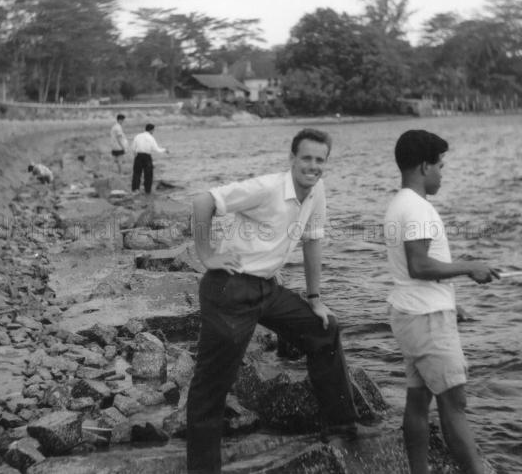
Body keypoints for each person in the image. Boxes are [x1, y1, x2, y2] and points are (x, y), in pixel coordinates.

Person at [187, 128, 369, 474]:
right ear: (292, 159)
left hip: (267, 290)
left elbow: (313, 240)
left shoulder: (317, 191)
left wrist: (315, 298)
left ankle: (342, 430)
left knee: (323, 329)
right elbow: (202, 201)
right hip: (229, 289)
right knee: (212, 387)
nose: (313, 166)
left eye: (320, 160)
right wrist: (207, 255)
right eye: (306, 158)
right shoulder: (269, 187)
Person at [383, 130, 499, 474]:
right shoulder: (417, 208)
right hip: (426, 319)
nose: (441, 173)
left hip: (414, 315)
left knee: (418, 401)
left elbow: (410, 270)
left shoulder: (398, 204)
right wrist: (471, 268)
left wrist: (450, 304)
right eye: (439, 166)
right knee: (454, 403)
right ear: (423, 166)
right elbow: (420, 265)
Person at [131, 123, 168, 194]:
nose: (153, 132)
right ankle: (147, 190)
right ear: (151, 130)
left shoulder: (138, 136)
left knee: (136, 173)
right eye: (153, 130)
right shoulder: (151, 138)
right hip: (147, 157)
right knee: (148, 174)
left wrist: (135, 155)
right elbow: (157, 149)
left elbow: (133, 147)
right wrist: (165, 150)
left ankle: (135, 190)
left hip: (138, 156)